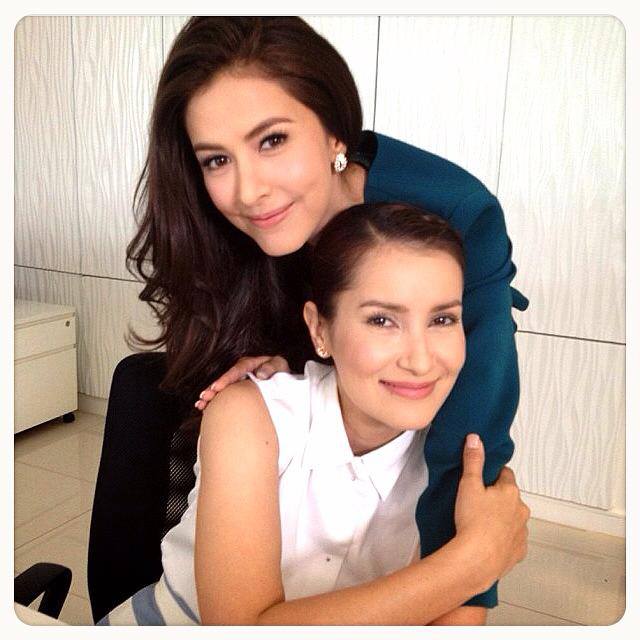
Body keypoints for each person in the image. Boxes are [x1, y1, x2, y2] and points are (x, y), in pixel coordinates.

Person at [122, 16, 528, 619]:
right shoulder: (231, 231)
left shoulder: (459, 218)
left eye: (271, 140)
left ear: (337, 133)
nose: (248, 191)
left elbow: (470, 457)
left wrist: (475, 567)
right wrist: (294, 364)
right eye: (216, 159)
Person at [99, 202, 529, 625]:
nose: (420, 361)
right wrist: (472, 563)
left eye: (443, 320)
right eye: (382, 320)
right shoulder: (253, 415)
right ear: (319, 328)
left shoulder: (461, 455)